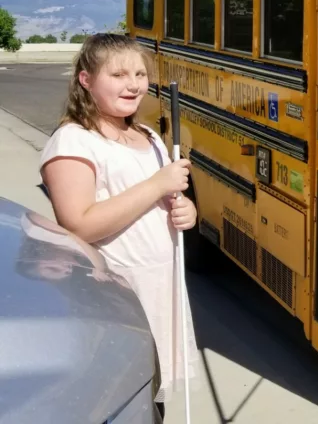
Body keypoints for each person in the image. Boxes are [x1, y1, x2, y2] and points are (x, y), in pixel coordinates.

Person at [38, 33, 201, 418]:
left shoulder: (146, 136)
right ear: (86, 80)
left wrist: (186, 210)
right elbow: (78, 224)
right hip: (117, 298)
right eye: (119, 74)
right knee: (122, 403)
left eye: (141, 74)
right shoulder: (73, 142)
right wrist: (156, 184)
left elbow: (162, 202)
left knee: (152, 403)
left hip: (160, 293)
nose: (134, 84)